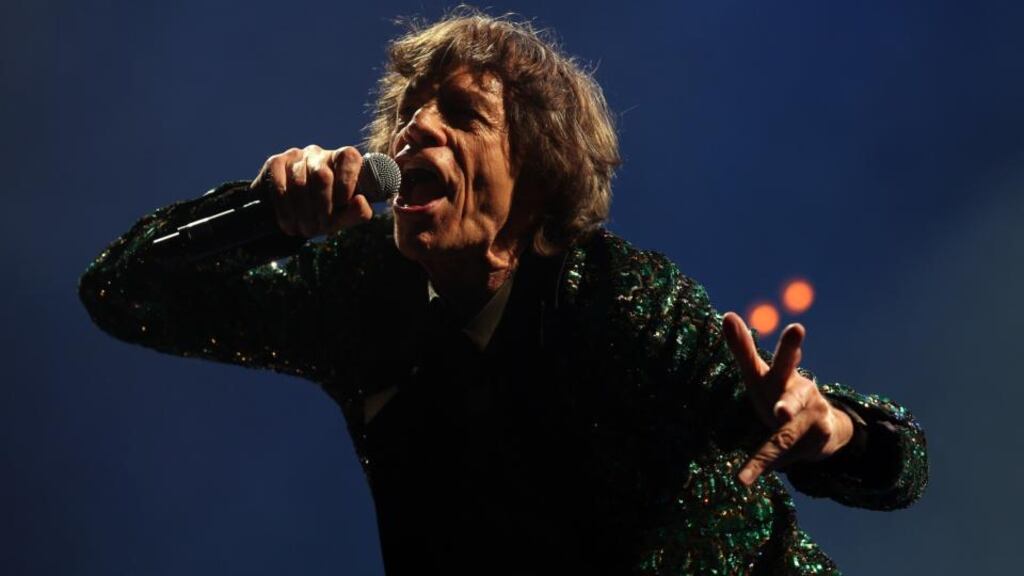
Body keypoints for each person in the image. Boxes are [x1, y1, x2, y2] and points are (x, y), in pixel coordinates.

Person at [78, 9, 927, 575]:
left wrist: (833, 431)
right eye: (411, 110)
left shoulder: (620, 300)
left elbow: (900, 467)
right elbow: (122, 292)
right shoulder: (357, 292)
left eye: (460, 112)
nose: (417, 127)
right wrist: (263, 213)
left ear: (536, 179)